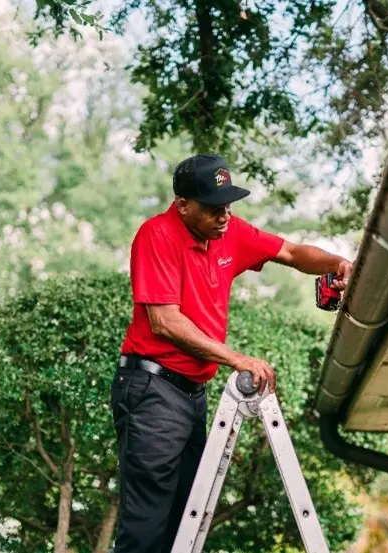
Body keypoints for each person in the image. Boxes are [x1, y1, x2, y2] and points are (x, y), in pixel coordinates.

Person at [110, 154, 352, 553]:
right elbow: (165, 322)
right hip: (152, 391)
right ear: (183, 204)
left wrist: (341, 263)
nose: (223, 216)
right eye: (212, 209)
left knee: (182, 522)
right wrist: (237, 358)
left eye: (227, 206)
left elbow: (290, 253)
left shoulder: (229, 232)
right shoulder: (157, 235)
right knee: (147, 526)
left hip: (190, 394)